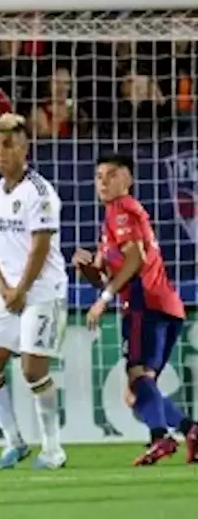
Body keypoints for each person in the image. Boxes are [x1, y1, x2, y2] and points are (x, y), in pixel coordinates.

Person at [76, 153, 196, 465]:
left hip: (145, 304)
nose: (103, 182)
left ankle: (160, 438)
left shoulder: (122, 210)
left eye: (112, 175)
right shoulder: (113, 220)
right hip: (166, 305)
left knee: (137, 380)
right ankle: (190, 430)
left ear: (128, 179)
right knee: (138, 390)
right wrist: (86, 267)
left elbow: (136, 260)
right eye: (99, 175)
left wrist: (104, 299)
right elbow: (103, 274)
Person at [0, 114, 67, 470]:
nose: (1, 153)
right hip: (7, 290)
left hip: (43, 289)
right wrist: (4, 289)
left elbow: (41, 246)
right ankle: (13, 441)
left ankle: (53, 449)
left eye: (9, 145)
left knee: (32, 370)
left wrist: (22, 290)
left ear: (24, 148)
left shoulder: (40, 193)